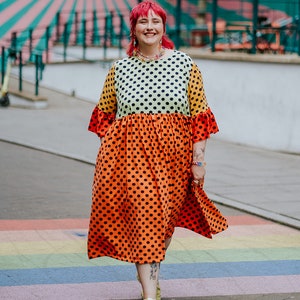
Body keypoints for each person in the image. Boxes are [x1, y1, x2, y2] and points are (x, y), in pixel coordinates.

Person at [87, 1, 228, 299]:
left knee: (162, 226)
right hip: (131, 161)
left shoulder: (185, 64)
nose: (149, 26)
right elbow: (104, 117)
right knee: (145, 220)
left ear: (163, 27)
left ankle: (152, 276)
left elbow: (199, 115)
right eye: (142, 22)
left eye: (155, 21)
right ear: (133, 30)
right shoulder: (119, 69)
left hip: (175, 161)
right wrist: (113, 158)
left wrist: (198, 160)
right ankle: (150, 295)